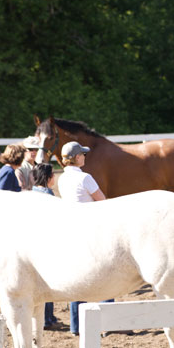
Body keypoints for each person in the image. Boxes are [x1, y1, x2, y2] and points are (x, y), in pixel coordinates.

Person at [57, 141, 107, 336]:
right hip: (91, 231)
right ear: (77, 157)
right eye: (83, 154)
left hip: (71, 232)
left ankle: (76, 326)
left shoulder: (62, 179)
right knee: (104, 276)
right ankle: (107, 321)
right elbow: (102, 201)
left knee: (77, 279)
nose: (85, 157)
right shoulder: (86, 178)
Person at [31, 163, 62, 330]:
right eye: (53, 175)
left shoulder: (31, 193)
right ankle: (47, 318)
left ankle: (45, 317)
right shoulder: (49, 196)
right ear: (48, 177)